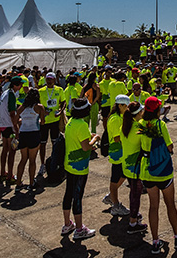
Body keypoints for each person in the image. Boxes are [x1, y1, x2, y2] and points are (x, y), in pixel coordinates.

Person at [139, 96, 177, 254]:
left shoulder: (140, 124)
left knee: (153, 206)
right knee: (170, 204)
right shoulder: (160, 125)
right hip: (163, 170)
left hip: (147, 169)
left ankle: (155, 241)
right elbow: (170, 146)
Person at [61, 98, 100, 240]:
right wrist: (95, 139)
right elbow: (86, 146)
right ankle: (79, 229)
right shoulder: (82, 125)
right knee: (77, 196)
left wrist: (89, 137)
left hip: (69, 164)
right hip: (79, 167)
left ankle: (67, 224)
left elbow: (79, 138)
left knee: (68, 194)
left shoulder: (71, 122)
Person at [120, 102, 148, 235]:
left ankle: (134, 215)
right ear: (138, 114)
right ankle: (133, 222)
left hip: (126, 166)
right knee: (136, 194)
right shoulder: (139, 127)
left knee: (133, 192)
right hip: (136, 167)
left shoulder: (124, 126)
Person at [104, 94, 131, 216]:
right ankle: (115, 205)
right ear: (119, 105)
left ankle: (111, 196)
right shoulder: (115, 119)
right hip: (117, 152)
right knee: (115, 180)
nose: (127, 108)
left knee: (124, 174)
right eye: (125, 106)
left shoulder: (120, 116)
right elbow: (116, 138)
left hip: (122, 152)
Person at [16, 88, 45, 191]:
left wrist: (22, 121)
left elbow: (15, 120)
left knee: (23, 159)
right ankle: (31, 182)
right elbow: (42, 122)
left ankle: (18, 182)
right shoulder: (39, 107)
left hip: (23, 133)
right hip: (34, 132)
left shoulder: (22, 107)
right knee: (32, 160)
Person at [38, 72, 66, 178]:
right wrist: (42, 111)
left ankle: (55, 162)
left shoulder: (59, 90)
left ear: (54, 80)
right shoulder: (41, 91)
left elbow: (63, 102)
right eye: (47, 79)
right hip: (44, 121)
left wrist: (60, 111)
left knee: (55, 143)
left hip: (55, 120)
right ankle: (42, 164)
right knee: (43, 143)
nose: (49, 81)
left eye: (51, 79)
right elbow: (36, 104)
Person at [0, 76, 23, 185]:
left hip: (3, 125)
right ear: (16, 85)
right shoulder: (11, 95)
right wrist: (16, 129)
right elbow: (12, 114)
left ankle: (3, 172)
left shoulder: (5, 92)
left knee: (5, 150)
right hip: (9, 126)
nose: (21, 86)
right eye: (20, 84)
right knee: (12, 151)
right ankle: (10, 175)